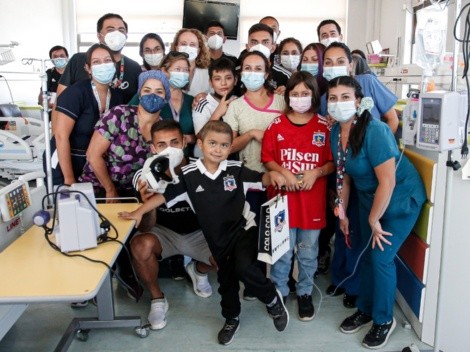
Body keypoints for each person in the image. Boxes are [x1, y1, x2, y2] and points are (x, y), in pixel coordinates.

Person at [119, 120, 289, 346]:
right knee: (226, 282)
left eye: (224, 145)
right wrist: (139, 211)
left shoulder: (235, 170)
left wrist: (273, 176)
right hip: (217, 240)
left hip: (243, 230)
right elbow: (163, 197)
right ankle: (231, 318)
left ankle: (271, 300)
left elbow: (261, 179)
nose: (218, 149)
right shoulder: (189, 175)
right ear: (200, 144)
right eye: (212, 143)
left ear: (230, 148)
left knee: (245, 269)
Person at [327, 75, 426, 349]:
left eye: (345, 97)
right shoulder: (336, 132)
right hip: (368, 197)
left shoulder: (376, 131)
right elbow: (345, 176)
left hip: (399, 197)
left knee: (381, 258)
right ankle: (367, 308)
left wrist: (373, 218)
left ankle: (384, 320)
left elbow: (388, 181)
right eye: (333, 98)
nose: (339, 103)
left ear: (358, 101)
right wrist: (343, 212)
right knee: (365, 253)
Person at [261, 71, 334, 320]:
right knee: (281, 252)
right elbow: (267, 158)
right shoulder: (276, 125)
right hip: (282, 203)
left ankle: (304, 292)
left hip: (311, 204)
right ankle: (280, 291)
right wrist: (283, 172)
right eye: (295, 94)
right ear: (287, 96)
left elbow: (333, 162)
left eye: (305, 93)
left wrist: (317, 172)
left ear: (314, 95)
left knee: (307, 251)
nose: (300, 98)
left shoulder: (324, 126)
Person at [130, 120, 214, 330]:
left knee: (230, 250)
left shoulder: (202, 168)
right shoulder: (144, 176)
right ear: (153, 148)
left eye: (174, 142)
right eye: (161, 144)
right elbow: (145, 228)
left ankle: (199, 270)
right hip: (163, 233)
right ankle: (157, 298)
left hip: (198, 233)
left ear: (184, 142)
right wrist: (148, 204)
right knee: (140, 245)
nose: (168, 149)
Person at [79, 70, 171, 200]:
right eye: (147, 90)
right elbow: (93, 155)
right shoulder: (119, 115)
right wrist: (110, 190)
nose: (152, 96)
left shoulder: (163, 130)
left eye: (159, 92)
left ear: (166, 97)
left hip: (134, 195)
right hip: (98, 190)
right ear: (139, 94)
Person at [49, 43, 123, 186]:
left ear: (114, 65)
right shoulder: (76, 93)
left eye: (107, 61)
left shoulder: (117, 96)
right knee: (68, 204)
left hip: (92, 160)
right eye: (96, 62)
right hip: (64, 159)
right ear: (88, 69)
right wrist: (69, 179)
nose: (103, 65)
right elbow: (60, 136)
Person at [54, 12, 141, 124]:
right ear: (99, 35)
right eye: (110, 30)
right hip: (76, 136)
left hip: (116, 135)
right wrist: (56, 137)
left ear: (126, 36)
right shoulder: (79, 60)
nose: (117, 34)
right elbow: (60, 102)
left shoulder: (134, 68)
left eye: (121, 30)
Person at [192, 57, 237, 158]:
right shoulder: (202, 103)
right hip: (203, 159)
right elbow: (200, 136)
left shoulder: (237, 101)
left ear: (235, 80)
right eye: (217, 79)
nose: (223, 83)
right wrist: (218, 112)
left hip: (230, 157)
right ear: (210, 83)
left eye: (228, 78)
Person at [244, 23, 290, 93]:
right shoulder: (236, 74)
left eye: (265, 42)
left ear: (273, 47)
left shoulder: (285, 76)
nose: (260, 46)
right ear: (247, 47)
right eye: (254, 42)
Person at [170, 28, 211, 97]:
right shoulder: (168, 72)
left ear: (198, 50)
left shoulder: (207, 74)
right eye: (183, 44)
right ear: (176, 48)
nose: (187, 48)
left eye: (192, 45)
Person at [38, 45, 69, 114]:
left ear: (67, 57)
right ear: (51, 60)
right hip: (53, 112)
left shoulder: (74, 72)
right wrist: (46, 104)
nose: (59, 58)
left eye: (62, 56)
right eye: (55, 57)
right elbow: (41, 98)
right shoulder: (49, 73)